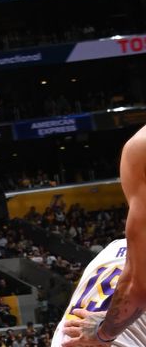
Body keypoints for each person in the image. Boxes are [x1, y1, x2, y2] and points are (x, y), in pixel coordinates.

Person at [58, 124, 146, 347]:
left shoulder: (111, 250)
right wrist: (103, 333)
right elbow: (138, 287)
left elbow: (137, 285)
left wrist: (103, 332)